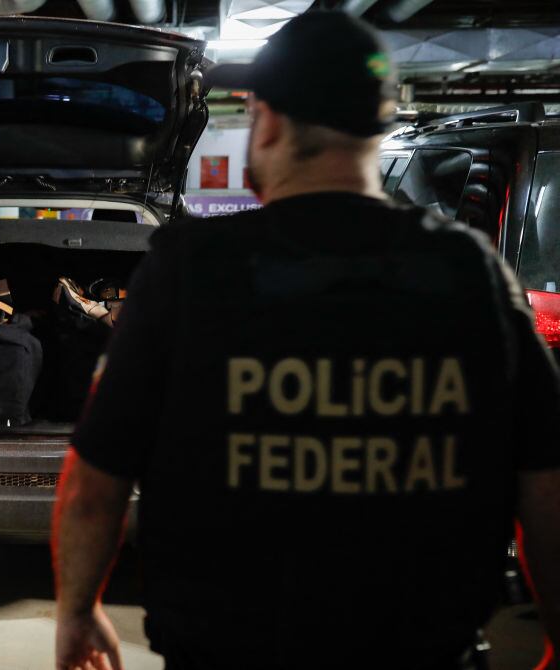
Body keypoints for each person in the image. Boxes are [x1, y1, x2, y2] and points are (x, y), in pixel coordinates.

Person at [52, 11, 560, 670]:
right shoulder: (474, 273)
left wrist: (78, 608)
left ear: (267, 119)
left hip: (224, 650)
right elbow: (546, 485)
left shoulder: (189, 270)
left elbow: (94, 484)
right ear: (378, 124)